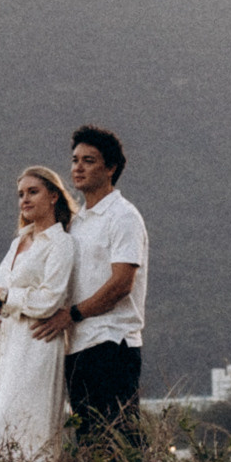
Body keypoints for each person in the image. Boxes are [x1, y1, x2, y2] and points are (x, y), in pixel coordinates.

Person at [31, 125, 148, 443]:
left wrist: (72, 314)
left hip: (112, 343)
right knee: (89, 439)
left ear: (110, 168)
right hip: (78, 345)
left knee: (117, 437)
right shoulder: (77, 221)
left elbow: (122, 282)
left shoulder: (123, 216)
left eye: (89, 160)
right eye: (74, 160)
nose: (78, 167)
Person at [0, 166, 77, 462]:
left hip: (36, 344)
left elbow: (49, 299)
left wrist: (6, 297)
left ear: (54, 195)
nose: (25, 199)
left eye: (33, 192)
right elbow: (0, 297)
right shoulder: (17, 242)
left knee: (25, 423)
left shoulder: (61, 244)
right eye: (21, 194)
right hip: (2, 346)